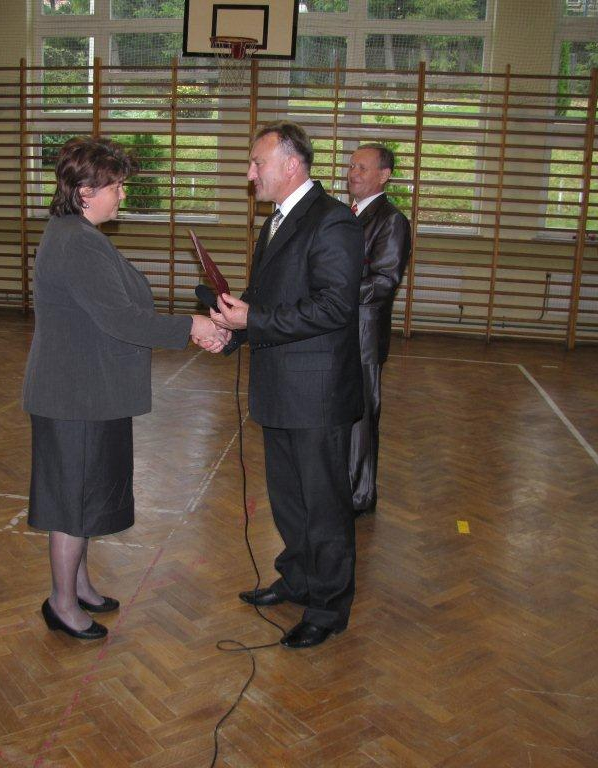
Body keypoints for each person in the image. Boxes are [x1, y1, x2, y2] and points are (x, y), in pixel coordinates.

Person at [22, 136, 228, 641]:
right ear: (85, 191)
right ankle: (61, 603)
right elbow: (122, 319)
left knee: (85, 497)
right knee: (72, 505)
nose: (122, 194)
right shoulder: (76, 242)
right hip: (74, 396)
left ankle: (80, 585)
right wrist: (191, 326)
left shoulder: (79, 234)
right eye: (116, 186)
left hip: (89, 390)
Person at [211, 122, 364, 649]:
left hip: (316, 395)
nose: (249, 173)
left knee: (324, 508)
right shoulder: (277, 220)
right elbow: (266, 298)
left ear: (291, 165)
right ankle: (298, 579)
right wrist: (233, 331)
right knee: (289, 501)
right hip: (279, 387)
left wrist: (252, 320)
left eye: (257, 163)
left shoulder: (333, 221)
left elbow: (335, 307)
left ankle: (328, 608)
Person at [347, 144, 412, 516]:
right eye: (352, 165)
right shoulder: (348, 214)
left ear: (384, 176)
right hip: (342, 331)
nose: (353, 173)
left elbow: (385, 281)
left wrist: (333, 295)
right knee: (346, 412)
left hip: (365, 335)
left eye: (362, 167)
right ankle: (344, 486)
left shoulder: (391, 220)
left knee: (362, 416)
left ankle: (360, 495)